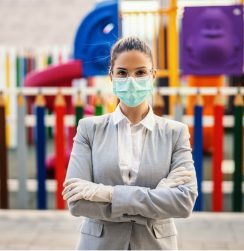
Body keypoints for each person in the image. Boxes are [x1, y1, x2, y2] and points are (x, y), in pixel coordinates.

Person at [62, 36, 198, 250]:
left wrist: (107, 194)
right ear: (111, 76)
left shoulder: (175, 133)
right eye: (123, 73)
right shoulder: (89, 129)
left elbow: (183, 202)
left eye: (141, 72)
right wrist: (156, 196)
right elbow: (77, 202)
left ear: (153, 75)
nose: (132, 80)